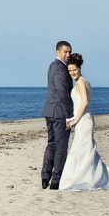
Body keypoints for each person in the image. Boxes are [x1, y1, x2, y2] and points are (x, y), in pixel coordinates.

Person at [59, 53, 109, 191]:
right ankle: (88, 178)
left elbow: (84, 102)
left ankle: (85, 180)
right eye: (70, 71)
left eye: (74, 70)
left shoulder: (80, 82)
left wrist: (75, 120)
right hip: (85, 119)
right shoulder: (85, 81)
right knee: (84, 151)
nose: (72, 73)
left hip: (83, 121)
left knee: (81, 150)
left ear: (79, 68)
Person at [40, 40, 73, 190]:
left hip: (49, 111)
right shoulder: (60, 68)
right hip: (59, 113)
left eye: (69, 52)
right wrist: (68, 116)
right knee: (60, 146)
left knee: (52, 144)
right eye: (65, 52)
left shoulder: (52, 66)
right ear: (57, 52)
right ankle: (55, 181)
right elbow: (62, 94)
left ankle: (45, 177)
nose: (68, 55)